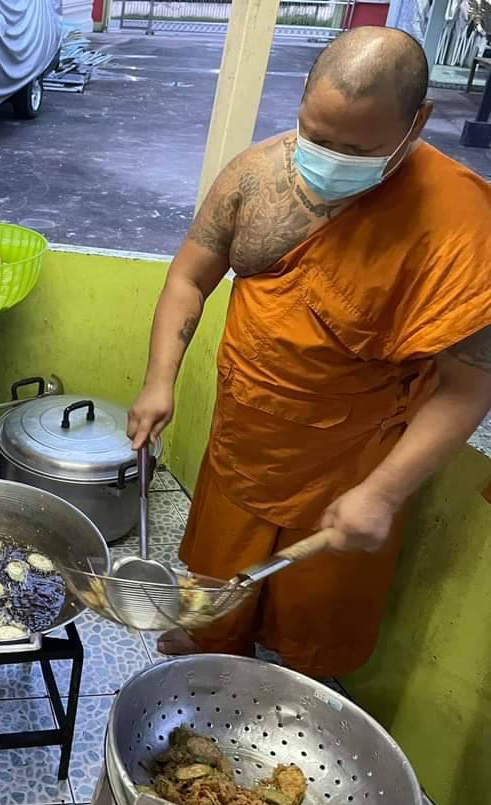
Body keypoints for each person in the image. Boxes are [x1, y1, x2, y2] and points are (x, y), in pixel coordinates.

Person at [127, 27, 491, 678]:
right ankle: (214, 643)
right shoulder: (256, 176)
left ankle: (296, 676)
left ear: (417, 123)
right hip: (247, 433)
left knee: (314, 622)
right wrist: (160, 380)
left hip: (353, 461)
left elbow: (467, 387)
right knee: (218, 580)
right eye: (316, 135)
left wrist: (383, 493)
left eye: (357, 150)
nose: (328, 160)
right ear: (303, 97)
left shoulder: (461, 224)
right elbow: (189, 277)